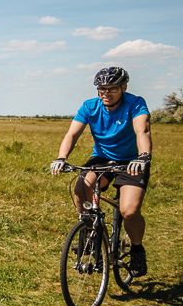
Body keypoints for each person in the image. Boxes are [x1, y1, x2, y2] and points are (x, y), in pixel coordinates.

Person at [50, 66, 152, 274]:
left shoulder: (135, 103)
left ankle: (137, 250)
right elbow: (72, 134)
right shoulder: (90, 106)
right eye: (101, 88)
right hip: (102, 158)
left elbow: (143, 130)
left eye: (112, 88)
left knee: (129, 211)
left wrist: (143, 157)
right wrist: (62, 158)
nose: (106, 93)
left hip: (132, 160)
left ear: (123, 87)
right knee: (81, 187)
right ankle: (91, 231)